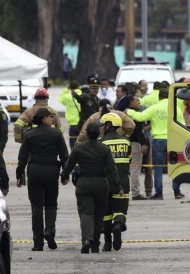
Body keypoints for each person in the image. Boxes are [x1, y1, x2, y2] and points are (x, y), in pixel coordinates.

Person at [61, 122, 123, 253]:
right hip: (101, 184)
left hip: (84, 184)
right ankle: (95, 244)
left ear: (87, 134)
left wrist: (64, 176)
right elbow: (113, 169)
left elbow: (69, 165)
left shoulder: (78, 148)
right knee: (99, 214)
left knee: (86, 214)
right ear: (98, 133)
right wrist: (119, 186)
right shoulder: (104, 149)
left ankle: (87, 240)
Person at [16, 108, 69, 251]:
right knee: (51, 204)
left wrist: (19, 175)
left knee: (36, 207)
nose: (52, 119)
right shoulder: (56, 134)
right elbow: (65, 156)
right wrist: (65, 175)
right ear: (45, 118)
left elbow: (22, 157)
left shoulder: (29, 134)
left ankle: (38, 243)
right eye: (50, 117)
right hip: (52, 171)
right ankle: (49, 231)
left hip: (34, 172)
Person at [127, 88, 185, 200]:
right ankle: (177, 192)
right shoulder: (176, 109)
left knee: (158, 168)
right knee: (175, 166)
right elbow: (182, 125)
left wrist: (129, 112)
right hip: (173, 140)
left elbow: (140, 117)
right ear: (169, 97)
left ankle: (159, 193)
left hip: (158, 140)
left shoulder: (155, 108)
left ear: (159, 97)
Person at [99, 113, 132, 251]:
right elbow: (129, 160)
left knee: (106, 215)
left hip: (106, 184)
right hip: (123, 184)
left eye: (103, 125)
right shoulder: (126, 142)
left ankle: (107, 243)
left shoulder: (102, 143)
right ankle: (118, 226)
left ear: (108, 125)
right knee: (120, 212)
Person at [124, 94, 149, 200]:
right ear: (131, 103)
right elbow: (138, 133)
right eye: (137, 101)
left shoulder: (125, 114)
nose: (139, 102)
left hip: (127, 143)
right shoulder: (134, 116)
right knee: (135, 169)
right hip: (135, 144)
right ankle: (135, 193)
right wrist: (144, 143)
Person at [58, 81, 82, 149]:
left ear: (70, 88)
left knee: (73, 145)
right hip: (82, 124)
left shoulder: (67, 97)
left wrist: (66, 90)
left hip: (73, 125)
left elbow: (60, 98)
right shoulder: (83, 95)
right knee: (81, 143)